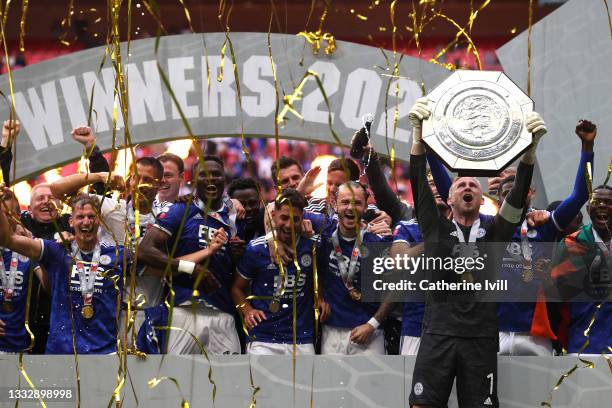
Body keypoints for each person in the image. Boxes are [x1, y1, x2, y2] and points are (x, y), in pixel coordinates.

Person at [407, 97, 546, 408]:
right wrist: (418, 140)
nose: (467, 186)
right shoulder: (435, 229)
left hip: (481, 338)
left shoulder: (495, 232)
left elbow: (518, 199)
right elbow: (417, 185)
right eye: (460, 185)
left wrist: (529, 156)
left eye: (473, 184)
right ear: (451, 199)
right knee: (422, 405)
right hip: (437, 334)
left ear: (482, 199)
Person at [496, 119, 596, 356]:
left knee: (541, 393)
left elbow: (581, 194)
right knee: (493, 393)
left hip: (536, 333)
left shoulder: (545, 224)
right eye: (507, 192)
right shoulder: (490, 228)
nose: (515, 194)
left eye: (521, 189)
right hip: (496, 332)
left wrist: (587, 148)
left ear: (532, 192)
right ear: (498, 197)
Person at [138, 155, 245, 354]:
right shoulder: (180, 210)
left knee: (231, 381)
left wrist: (237, 253)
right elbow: (144, 251)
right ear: (193, 180)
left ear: (225, 179)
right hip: (183, 309)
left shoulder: (235, 217)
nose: (211, 179)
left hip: (223, 313)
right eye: (204, 175)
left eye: (216, 174)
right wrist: (190, 269)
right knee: (177, 380)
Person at [0, 194, 129, 354]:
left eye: (91, 216)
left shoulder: (119, 255)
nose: (86, 222)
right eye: (80, 216)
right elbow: (7, 239)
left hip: (105, 353)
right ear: (71, 221)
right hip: (60, 352)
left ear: (100, 221)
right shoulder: (56, 251)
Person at [232, 188, 326, 355]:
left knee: (303, 383)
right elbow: (237, 288)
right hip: (263, 339)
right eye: (284, 218)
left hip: (301, 339)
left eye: (295, 219)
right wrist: (246, 310)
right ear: (273, 215)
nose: (289, 225)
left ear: (302, 218)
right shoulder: (256, 248)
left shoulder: (313, 247)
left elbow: (323, 277)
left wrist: (321, 298)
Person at [318, 181, 392, 354]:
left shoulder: (378, 245)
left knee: (371, 382)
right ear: (335, 205)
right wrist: (319, 298)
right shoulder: (323, 235)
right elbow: (277, 212)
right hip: (331, 331)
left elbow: (394, 291)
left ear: (366, 207)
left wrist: (372, 325)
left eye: (357, 203)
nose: (350, 208)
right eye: (345, 202)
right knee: (330, 381)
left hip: (369, 333)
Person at [550, 185, 611, 356]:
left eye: (608, 202)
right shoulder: (571, 245)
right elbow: (555, 295)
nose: (602, 206)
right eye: (596, 201)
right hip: (582, 344)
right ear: (588, 208)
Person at [0, 188, 45, 354]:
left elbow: (49, 285)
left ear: (18, 216)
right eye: (3, 214)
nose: (5, 219)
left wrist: (33, 243)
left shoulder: (26, 247)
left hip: (18, 347)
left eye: (10, 214)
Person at [228, 177, 265, 242]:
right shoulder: (225, 226)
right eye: (241, 204)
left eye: (252, 203)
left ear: (259, 202)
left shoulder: (268, 222)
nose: (248, 209)